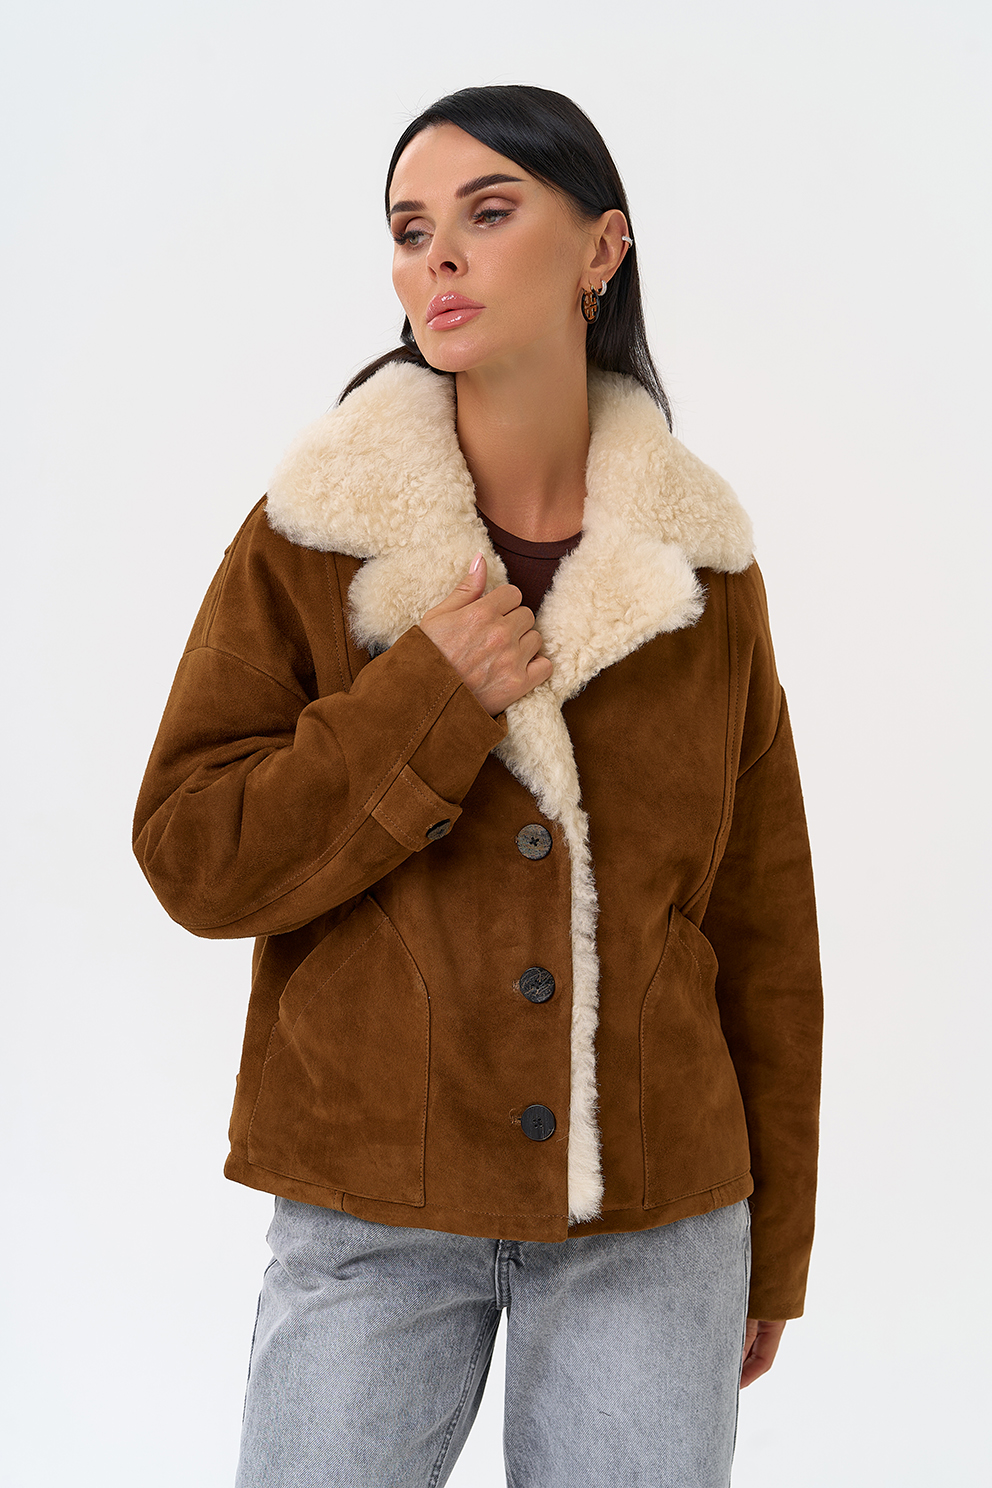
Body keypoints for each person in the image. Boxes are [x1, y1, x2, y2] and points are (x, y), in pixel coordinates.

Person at [133, 84, 822, 1488]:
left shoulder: (704, 572)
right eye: (409, 230)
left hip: (656, 1216)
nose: (437, 255)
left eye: (488, 212)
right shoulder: (312, 538)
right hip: (369, 1191)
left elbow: (764, 927)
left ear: (601, 248)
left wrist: (777, 1248)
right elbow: (195, 850)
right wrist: (427, 699)